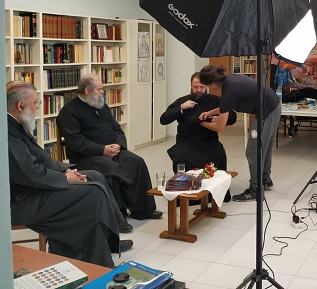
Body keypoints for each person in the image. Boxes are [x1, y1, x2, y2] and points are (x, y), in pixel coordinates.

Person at [7, 81, 132, 267]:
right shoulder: (7, 131)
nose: (38, 107)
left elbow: (42, 159)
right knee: (93, 192)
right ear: (21, 105)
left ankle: (108, 239)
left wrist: (64, 170)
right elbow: (29, 172)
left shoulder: (16, 124)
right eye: (36, 102)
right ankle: (98, 259)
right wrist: (65, 178)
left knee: (95, 176)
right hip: (21, 200)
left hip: (33, 188)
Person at [57, 74, 162, 227]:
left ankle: (143, 209)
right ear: (87, 91)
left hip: (111, 150)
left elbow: (117, 129)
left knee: (137, 161)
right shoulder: (69, 111)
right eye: (99, 89)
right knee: (109, 168)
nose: (103, 92)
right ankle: (117, 216)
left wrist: (118, 145)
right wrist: (102, 150)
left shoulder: (102, 106)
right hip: (86, 156)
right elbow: (76, 142)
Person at [199, 65, 281, 202]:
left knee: (253, 151)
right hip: (273, 105)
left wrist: (201, 123)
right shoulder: (230, 79)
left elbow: (220, 127)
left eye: (207, 86)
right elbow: (226, 106)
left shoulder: (228, 92)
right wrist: (211, 113)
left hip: (267, 111)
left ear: (212, 83)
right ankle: (264, 179)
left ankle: (255, 189)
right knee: (263, 146)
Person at [160, 72, 237, 202]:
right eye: (195, 87)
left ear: (207, 86)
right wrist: (181, 108)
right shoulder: (183, 101)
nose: (199, 90)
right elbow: (164, 119)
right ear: (191, 86)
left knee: (218, 154)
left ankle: (214, 194)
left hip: (209, 141)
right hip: (186, 141)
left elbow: (233, 116)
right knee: (181, 157)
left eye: (202, 87)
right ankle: (186, 194)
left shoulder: (215, 100)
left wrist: (220, 117)